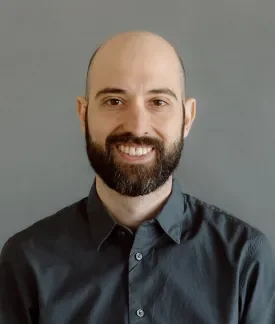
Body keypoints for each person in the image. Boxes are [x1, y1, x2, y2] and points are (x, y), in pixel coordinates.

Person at [0, 31, 274, 324]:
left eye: (158, 102)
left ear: (187, 117)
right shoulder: (26, 260)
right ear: (84, 114)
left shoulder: (245, 257)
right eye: (114, 101)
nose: (137, 125)